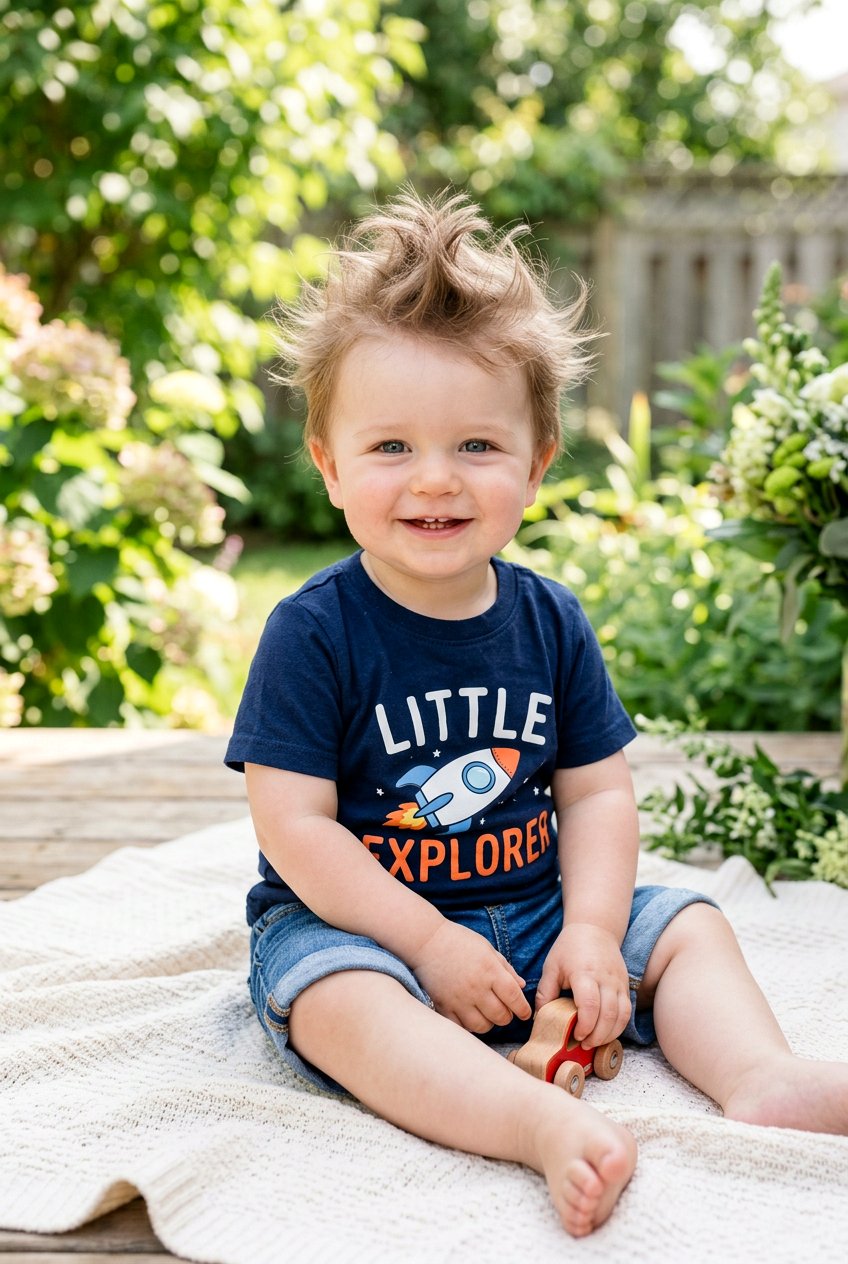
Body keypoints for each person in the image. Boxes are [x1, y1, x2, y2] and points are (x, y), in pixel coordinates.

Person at [225, 189, 848, 1237]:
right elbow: (294, 827)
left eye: (475, 445)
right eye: (389, 449)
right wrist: (424, 942)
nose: (434, 478)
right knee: (330, 998)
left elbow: (596, 790)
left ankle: (759, 1075)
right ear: (328, 464)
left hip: (538, 913)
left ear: (536, 463)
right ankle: (529, 1123)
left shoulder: (547, 619)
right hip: (367, 924)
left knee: (686, 924)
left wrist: (596, 932)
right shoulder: (313, 631)